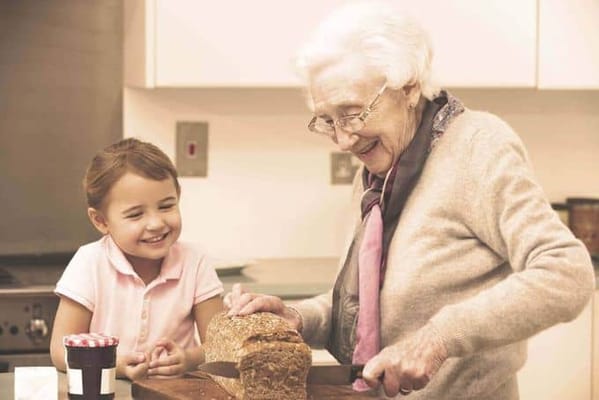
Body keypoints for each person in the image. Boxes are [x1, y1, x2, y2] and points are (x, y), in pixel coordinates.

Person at [225, 2, 595, 399]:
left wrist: (438, 339)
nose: (343, 140)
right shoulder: (377, 173)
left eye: (352, 112)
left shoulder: (477, 146)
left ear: (410, 86)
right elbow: (370, 307)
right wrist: (297, 318)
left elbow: (567, 274)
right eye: (327, 120)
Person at [50, 138, 224, 380]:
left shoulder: (195, 261)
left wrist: (188, 359)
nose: (156, 223)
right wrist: (115, 366)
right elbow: (60, 350)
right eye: (135, 214)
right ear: (101, 221)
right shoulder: (89, 262)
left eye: (166, 206)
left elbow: (221, 346)